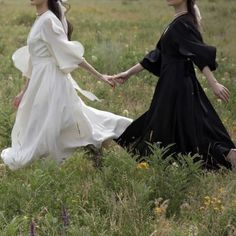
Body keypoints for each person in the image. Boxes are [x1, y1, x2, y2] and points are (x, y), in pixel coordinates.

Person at [0, 0, 132, 170]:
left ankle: (114, 133)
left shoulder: (48, 20)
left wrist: (100, 76)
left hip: (51, 82)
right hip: (39, 82)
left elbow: (71, 54)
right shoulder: (40, 19)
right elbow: (33, 61)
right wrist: (23, 91)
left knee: (57, 121)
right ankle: (91, 148)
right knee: (56, 120)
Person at [113, 0, 236, 169]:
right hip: (171, 83)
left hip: (178, 84)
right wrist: (128, 73)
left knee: (173, 124)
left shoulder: (184, 23)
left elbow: (197, 53)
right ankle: (223, 154)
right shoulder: (177, 22)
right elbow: (158, 55)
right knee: (181, 124)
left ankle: (224, 154)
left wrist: (213, 83)